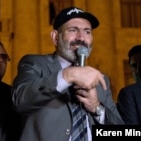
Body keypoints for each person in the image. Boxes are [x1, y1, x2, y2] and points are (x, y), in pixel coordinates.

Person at [12, 6, 124, 141]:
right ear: (55, 37)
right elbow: (20, 100)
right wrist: (67, 76)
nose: (81, 37)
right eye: (73, 30)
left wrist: (97, 108)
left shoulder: (100, 79)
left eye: (87, 32)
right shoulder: (34, 64)